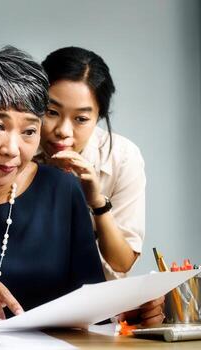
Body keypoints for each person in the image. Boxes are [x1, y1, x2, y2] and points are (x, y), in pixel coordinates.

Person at [0, 46, 163, 329]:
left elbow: (92, 305)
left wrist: (127, 310)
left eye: (28, 131)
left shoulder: (64, 189)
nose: (12, 149)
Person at [36, 47, 146, 280]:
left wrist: (97, 203)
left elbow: (122, 264)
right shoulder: (16, 153)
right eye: (51, 112)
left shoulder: (122, 157)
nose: (63, 131)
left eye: (81, 119)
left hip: (101, 307)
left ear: (99, 116)